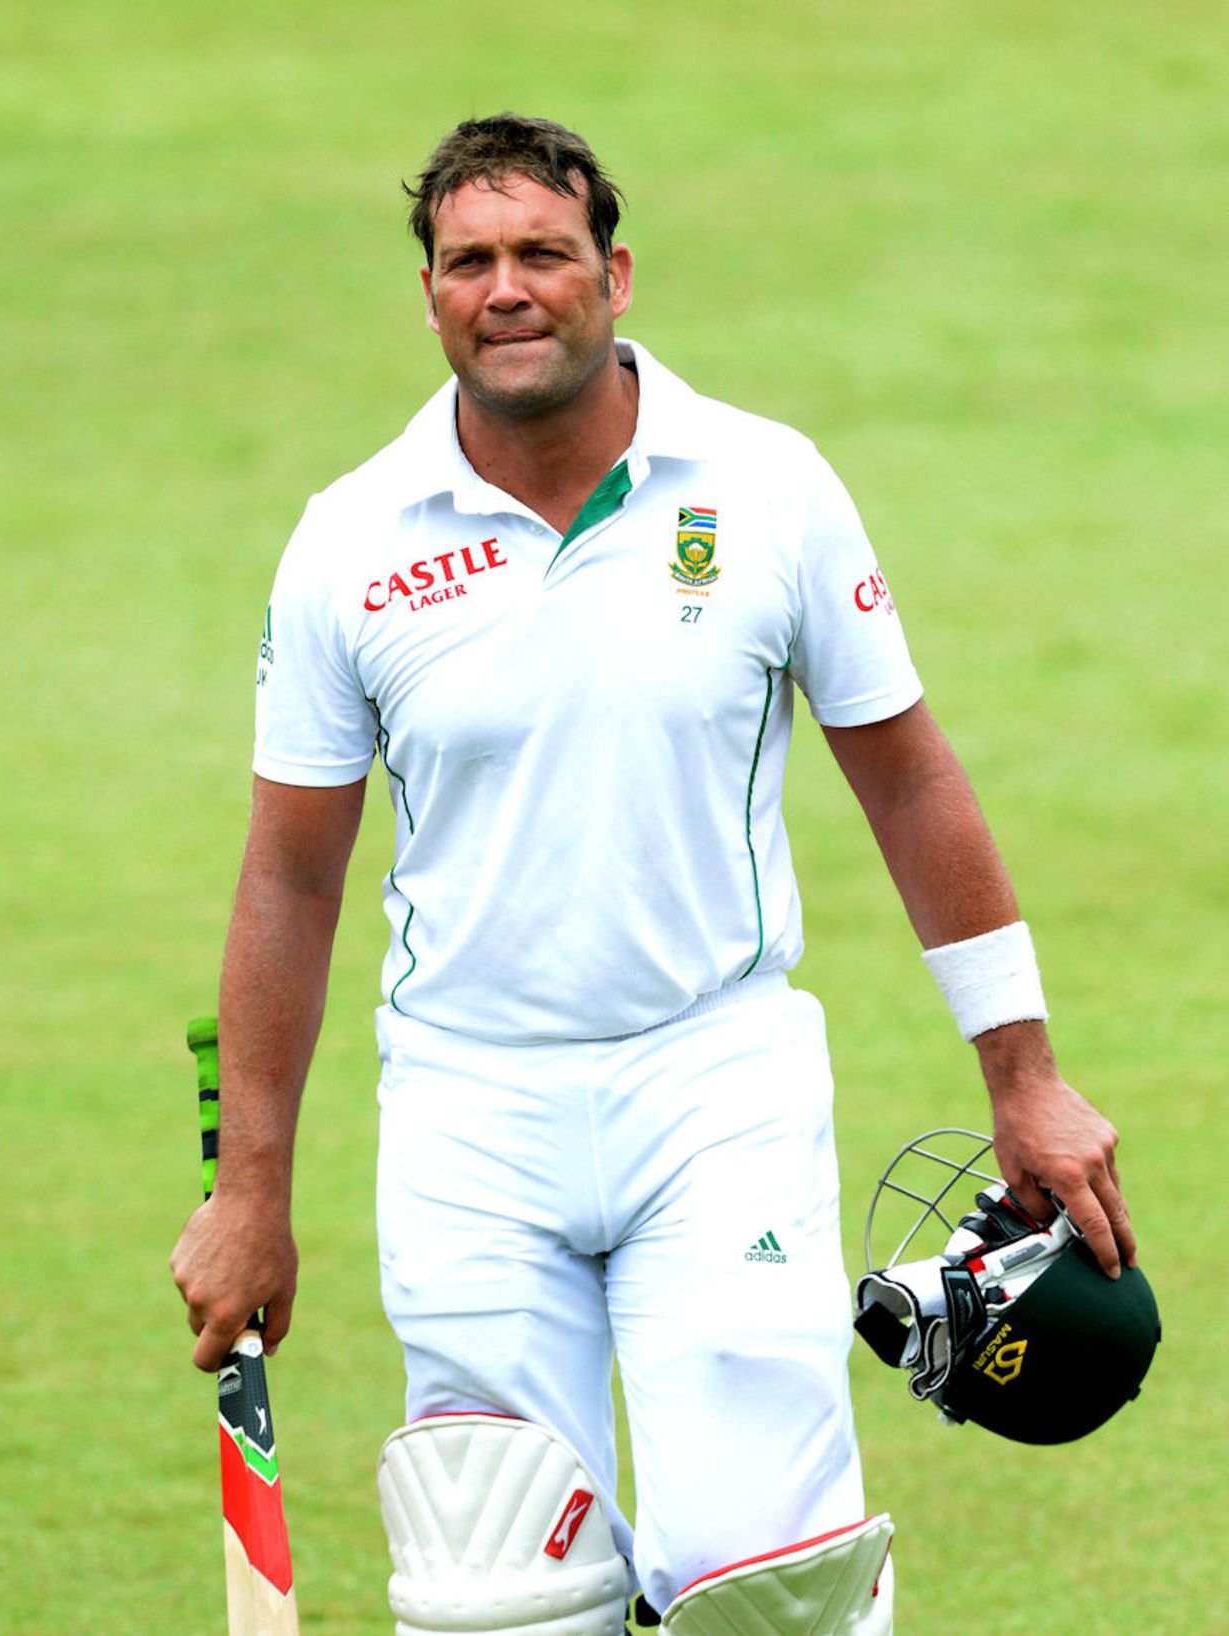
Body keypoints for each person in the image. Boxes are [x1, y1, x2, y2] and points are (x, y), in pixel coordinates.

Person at [171, 114, 1136, 1629]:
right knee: (496, 1593)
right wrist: (251, 1194)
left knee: (771, 1588)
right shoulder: (347, 544)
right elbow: (290, 879)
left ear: (613, 275)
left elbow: (908, 776)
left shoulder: (767, 486)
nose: (507, 289)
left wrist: (1023, 1071)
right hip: (467, 1113)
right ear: (428, 295)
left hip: (717, 1088)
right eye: (468, 261)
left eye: (542, 254)